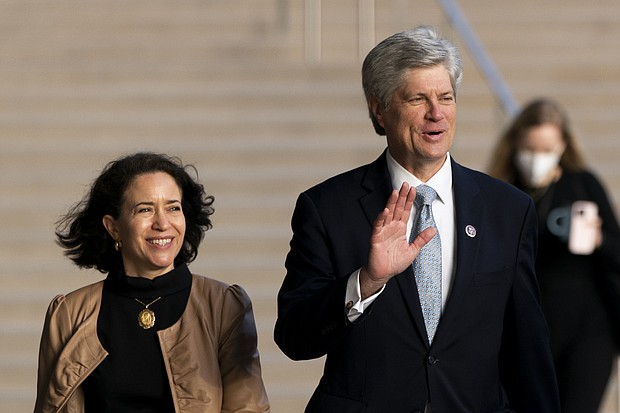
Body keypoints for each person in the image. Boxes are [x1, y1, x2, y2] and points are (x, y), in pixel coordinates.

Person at [274, 26, 561, 412]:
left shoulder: (508, 209)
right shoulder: (326, 208)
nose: (436, 113)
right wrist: (367, 281)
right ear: (379, 108)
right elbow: (295, 337)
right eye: (417, 99)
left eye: (446, 97)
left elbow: (528, 346)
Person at [34, 152, 270, 413]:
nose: (162, 223)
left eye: (173, 208)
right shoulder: (69, 314)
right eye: (145, 209)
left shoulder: (224, 306)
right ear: (113, 227)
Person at [488, 98, 620, 413]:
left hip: (587, 332)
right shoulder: (500, 191)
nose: (537, 159)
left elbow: (617, 253)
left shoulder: (582, 184)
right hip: (526, 332)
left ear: (562, 146)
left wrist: (599, 238)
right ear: (515, 144)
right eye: (530, 149)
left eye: (546, 150)